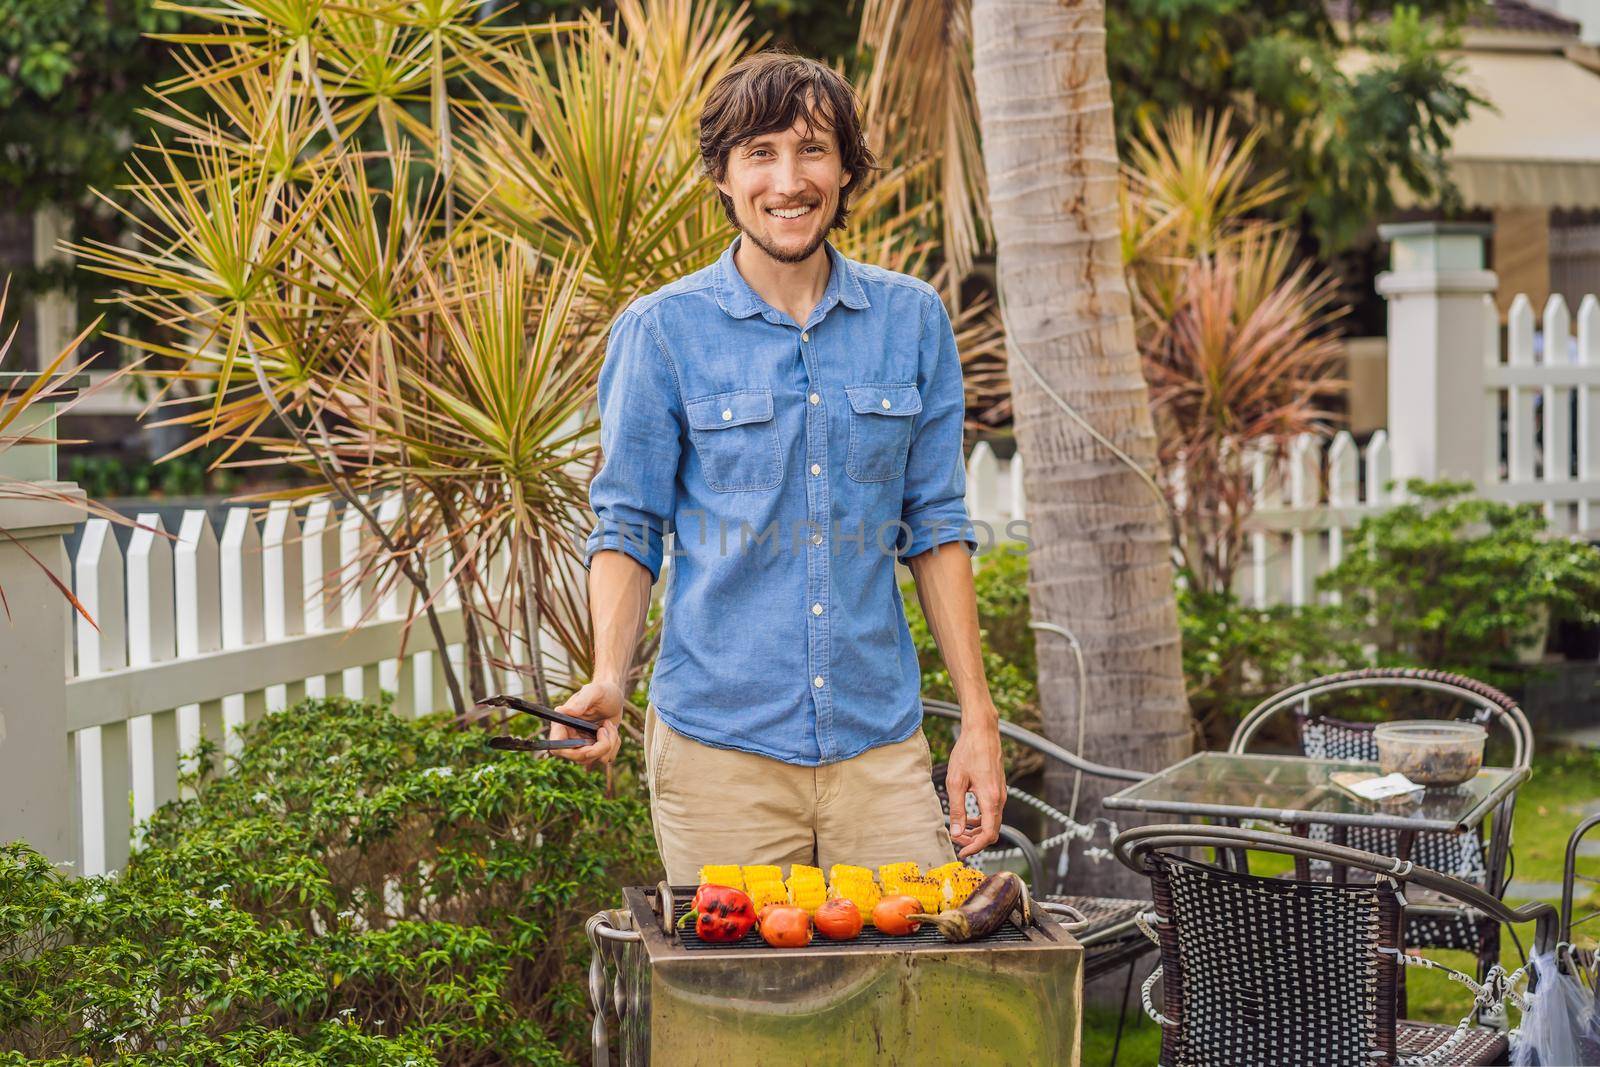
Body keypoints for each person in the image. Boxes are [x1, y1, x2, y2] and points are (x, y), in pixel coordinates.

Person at [550, 51, 1005, 884]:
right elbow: (628, 523)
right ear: (723, 175)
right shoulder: (662, 332)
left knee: (912, 996)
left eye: (812, 150)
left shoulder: (913, 321)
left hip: (880, 746)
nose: (788, 180)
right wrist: (609, 677)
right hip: (722, 756)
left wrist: (977, 717)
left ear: (846, 170)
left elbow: (936, 523)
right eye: (760, 153)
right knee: (746, 1009)